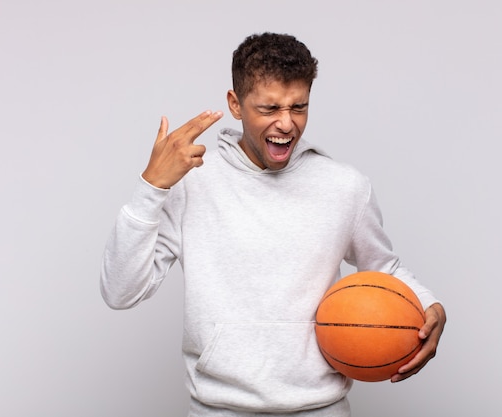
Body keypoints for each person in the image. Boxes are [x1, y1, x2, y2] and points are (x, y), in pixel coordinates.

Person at [101, 32, 446, 417]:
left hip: (322, 408)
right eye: (269, 109)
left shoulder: (343, 186)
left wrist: (430, 305)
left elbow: (383, 269)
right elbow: (120, 292)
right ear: (235, 104)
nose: (286, 123)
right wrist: (151, 187)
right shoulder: (191, 182)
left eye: (299, 107)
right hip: (218, 409)